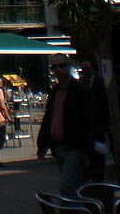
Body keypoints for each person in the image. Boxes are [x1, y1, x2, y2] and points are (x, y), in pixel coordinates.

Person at [37, 54, 99, 199]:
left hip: (75, 147)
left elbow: (89, 119)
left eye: (62, 66)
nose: (58, 70)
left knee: (67, 187)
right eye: (54, 67)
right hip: (58, 147)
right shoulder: (54, 92)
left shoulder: (80, 91)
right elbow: (48, 119)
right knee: (73, 188)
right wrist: (42, 145)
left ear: (69, 67)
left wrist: (87, 147)